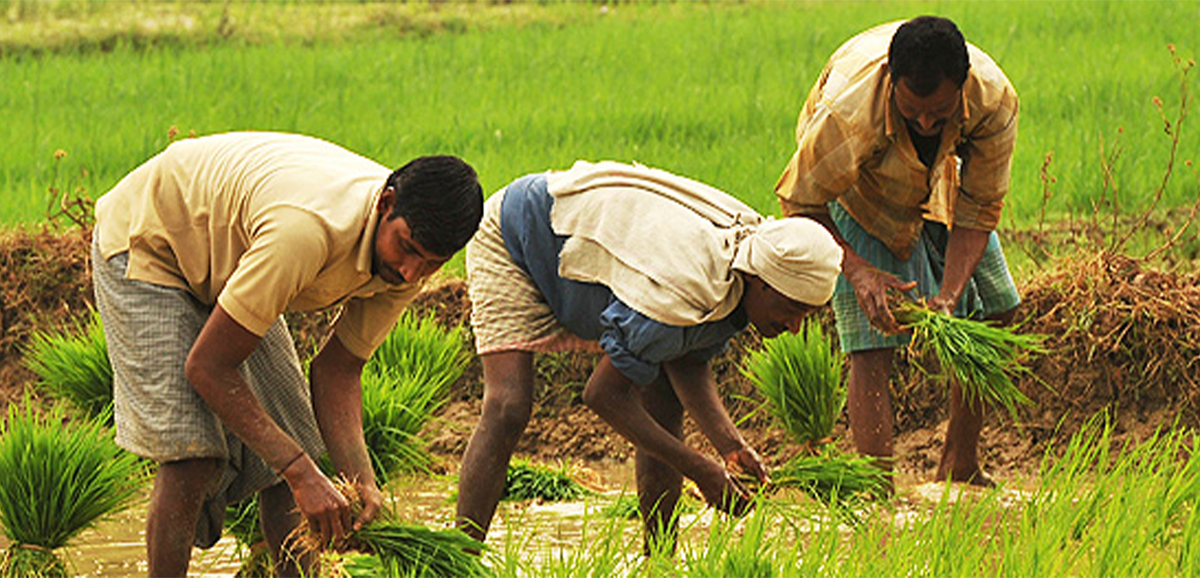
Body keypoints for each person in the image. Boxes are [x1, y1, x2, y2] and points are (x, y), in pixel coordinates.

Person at [91, 131, 483, 576]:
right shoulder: (306, 230)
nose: (413, 271)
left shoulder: (405, 267)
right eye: (408, 248)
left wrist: (362, 483)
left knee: (295, 447)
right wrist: (300, 472)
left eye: (433, 263)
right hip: (152, 241)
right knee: (194, 452)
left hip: (235, 261)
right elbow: (208, 367)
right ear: (385, 203)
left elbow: (339, 370)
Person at [456, 160, 843, 550]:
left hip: (596, 251)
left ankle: (659, 561)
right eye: (792, 310)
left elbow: (688, 359)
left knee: (663, 398)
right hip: (521, 234)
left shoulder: (742, 269)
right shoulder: (689, 282)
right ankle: (462, 557)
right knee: (509, 406)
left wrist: (730, 446)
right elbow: (602, 395)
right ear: (761, 281)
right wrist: (699, 469)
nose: (794, 326)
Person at [774, 16, 1021, 486]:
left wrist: (948, 294)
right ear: (892, 84)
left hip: (937, 176)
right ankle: (877, 486)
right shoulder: (847, 114)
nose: (926, 123)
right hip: (857, 187)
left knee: (997, 308)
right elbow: (800, 200)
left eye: (939, 114)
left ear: (962, 88)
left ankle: (960, 465)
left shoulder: (993, 100)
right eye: (913, 113)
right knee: (873, 337)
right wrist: (860, 272)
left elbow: (981, 205)